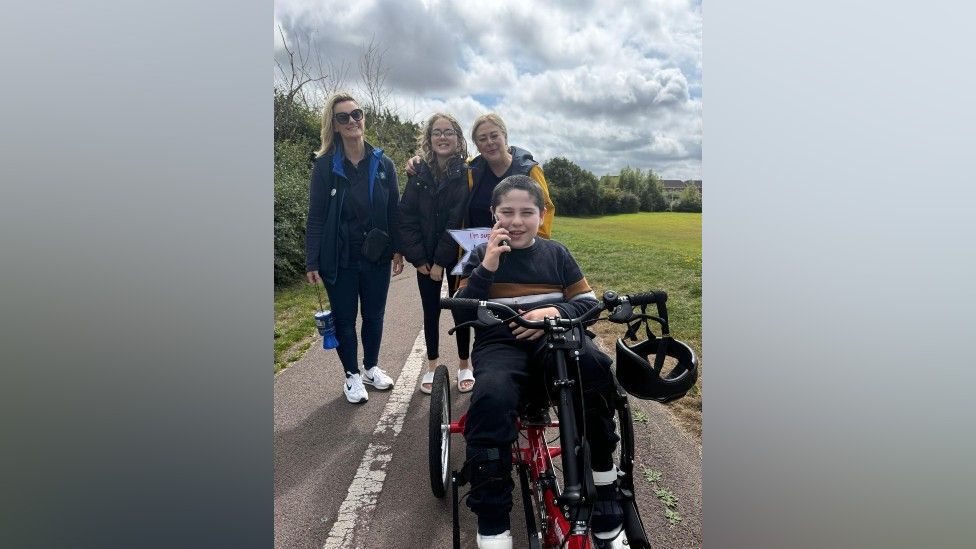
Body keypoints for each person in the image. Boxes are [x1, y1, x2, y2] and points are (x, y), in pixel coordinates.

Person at [455, 175, 626, 549]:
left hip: (556, 339)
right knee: (492, 395)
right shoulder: (478, 253)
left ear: (541, 214)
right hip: (501, 343)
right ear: (493, 214)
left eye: (526, 212)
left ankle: (604, 483)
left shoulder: (557, 253)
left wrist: (553, 310)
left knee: (595, 368)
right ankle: (493, 520)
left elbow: (588, 305)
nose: (516, 221)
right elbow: (463, 308)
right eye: (507, 212)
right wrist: (487, 267)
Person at [306, 92, 405, 404]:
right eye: (343, 117)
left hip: (376, 257)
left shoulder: (383, 163)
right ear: (334, 125)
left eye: (356, 114)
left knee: (374, 315)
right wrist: (312, 260)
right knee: (345, 320)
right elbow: (317, 217)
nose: (352, 121)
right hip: (340, 259)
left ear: (364, 118)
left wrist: (398, 248)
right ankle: (351, 375)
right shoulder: (324, 167)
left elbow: (394, 211)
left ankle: (370, 367)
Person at [397, 113, 475, 394]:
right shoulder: (417, 171)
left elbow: (455, 219)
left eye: (449, 132)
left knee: (461, 310)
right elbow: (406, 217)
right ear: (429, 139)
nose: (443, 137)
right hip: (424, 260)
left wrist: (441, 262)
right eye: (437, 132)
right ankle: (431, 366)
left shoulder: (465, 172)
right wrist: (418, 260)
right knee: (430, 311)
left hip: (456, 254)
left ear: (458, 138)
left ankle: (464, 364)